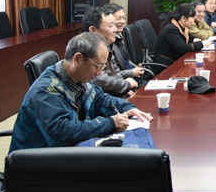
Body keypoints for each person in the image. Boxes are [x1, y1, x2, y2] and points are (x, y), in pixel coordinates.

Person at [8, 32, 153, 153]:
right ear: (77, 59)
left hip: (67, 153)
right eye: (98, 66)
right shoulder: (46, 89)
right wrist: (110, 123)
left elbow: (100, 99)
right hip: (34, 164)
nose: (100, 72)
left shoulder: (79, 78)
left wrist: (127, 107)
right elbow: (62, 132)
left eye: (103, 67)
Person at [82, 6, 137, 98]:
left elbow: (116, 72)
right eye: (111, 26)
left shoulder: (107, 45)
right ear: (93, 30)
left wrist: (124, 90)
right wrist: (126, 84)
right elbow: (99, 80)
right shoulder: (87, 50)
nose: (115, 29)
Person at [153, 3, 212, 71]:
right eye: (192, 17)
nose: (193, 20)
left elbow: (190, 37)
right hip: (166, 66)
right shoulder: (171, 29)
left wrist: (195, 39)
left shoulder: (182, 27)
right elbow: (183, 48)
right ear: (183, 18)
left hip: (176, 61)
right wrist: (202, 44)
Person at [104, 3, 146, 82]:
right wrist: (132, 72)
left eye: (124, 18)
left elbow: (126, 61)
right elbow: (112, 75)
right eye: (118, 18)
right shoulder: (107, 44)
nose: (122, 21)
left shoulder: (118, 38)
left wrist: (137, 68)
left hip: (133, 79)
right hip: (124, 83)